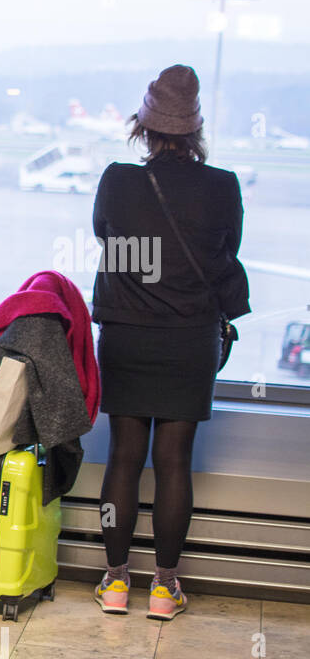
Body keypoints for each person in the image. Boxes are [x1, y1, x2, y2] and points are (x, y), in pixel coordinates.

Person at [90, 64, 250, 620]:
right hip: (189, 340)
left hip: (127, 337)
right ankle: (164, 588)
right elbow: (225, 252)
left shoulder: (117, 179)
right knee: (174, 462)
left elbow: (106, 236)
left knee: (123, 459)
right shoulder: (222, 186)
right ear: (195, 129)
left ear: (146, 125)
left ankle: (114, 582)